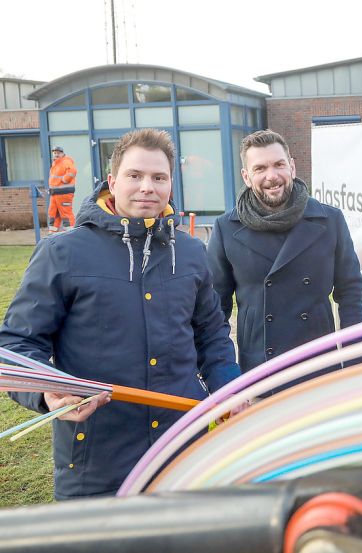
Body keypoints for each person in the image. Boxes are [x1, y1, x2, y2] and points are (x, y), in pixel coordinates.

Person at [1, 128, 240, 500]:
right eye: (135, 175)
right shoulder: (62, 253)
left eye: (158, 177)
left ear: (170, 184)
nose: (147, 187)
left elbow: (211, 335)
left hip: (181, 451)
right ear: (112, 182)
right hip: (96, 462)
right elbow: (15, 345)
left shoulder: (192, 252)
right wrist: (49, 393)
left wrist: (229, 386)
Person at [208, 130, 362, 390]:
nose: (272, 176)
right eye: (260, 168)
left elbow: (350, 295)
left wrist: (355, 361)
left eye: (279, 164)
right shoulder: (226, 228)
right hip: (259, 375)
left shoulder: (329, 220)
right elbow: (215, 313)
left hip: (318, 370)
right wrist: (224, 375)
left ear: (292, 167)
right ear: (246, 177)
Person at [47, 146, 76, 233]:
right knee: (53, 214)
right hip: (55, 194)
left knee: (66, 214)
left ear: (62, 153)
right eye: (55, 153)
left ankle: (71, 234)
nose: (56, 154)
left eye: (58, 153)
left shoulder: (66, 161)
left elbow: (73, 171)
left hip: (64, 194)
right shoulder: (56, 163)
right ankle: (52, 234)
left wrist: (64, 180)